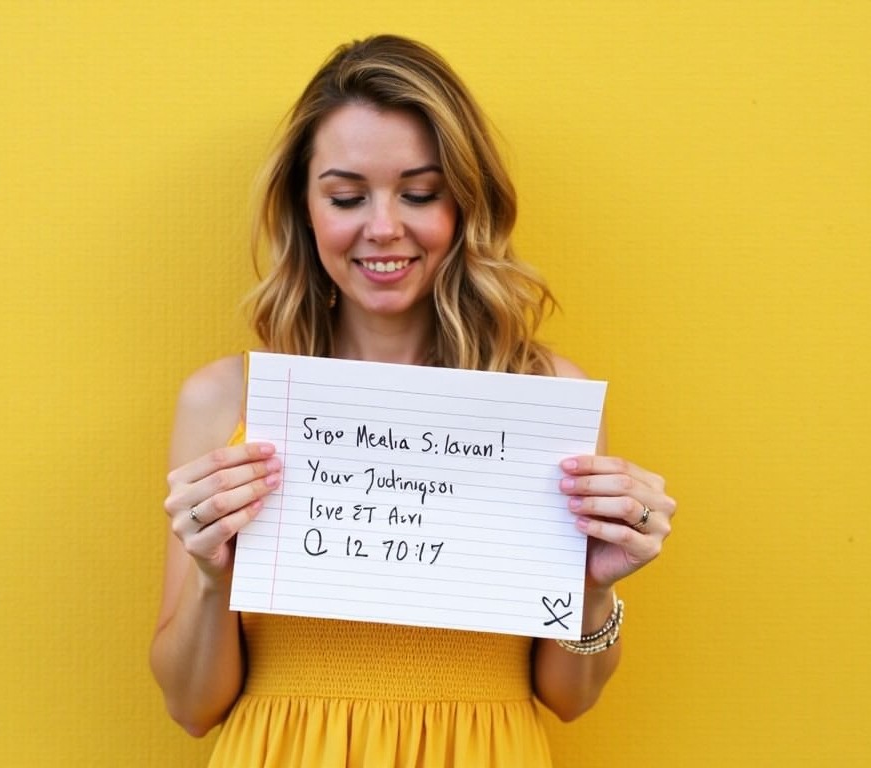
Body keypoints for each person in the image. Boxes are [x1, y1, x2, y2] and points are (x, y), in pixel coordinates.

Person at [150, 34, 676, 767]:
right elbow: (190, 708)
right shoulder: (223, 401)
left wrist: (592, 587)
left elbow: (570, 698)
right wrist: (213, 576)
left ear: (465, 205)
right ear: (304, 208)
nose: (384, 227)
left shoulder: (546, 396)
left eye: (420, 193)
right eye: (346, 196)